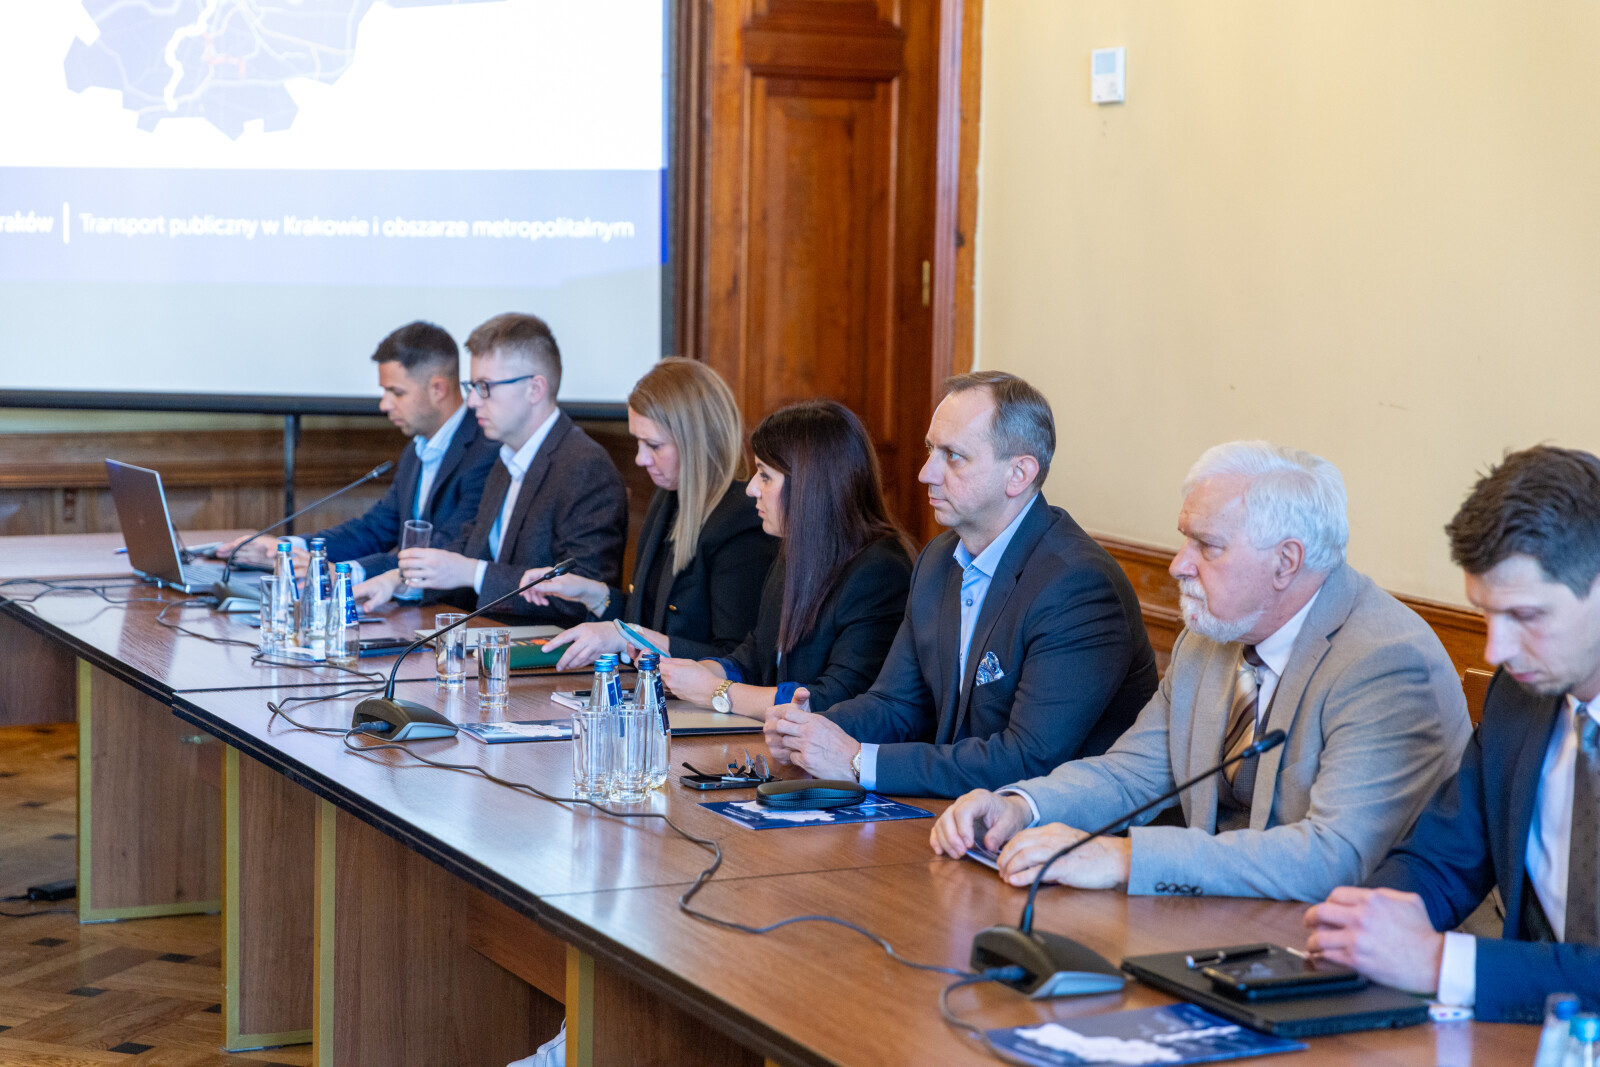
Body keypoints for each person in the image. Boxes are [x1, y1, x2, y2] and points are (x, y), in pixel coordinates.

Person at [931, 440, 1472, 901]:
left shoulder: (1384, 663)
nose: (1178, 565)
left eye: (1207, 546)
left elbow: (1333, 858)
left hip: (1352, 946)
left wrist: (1125, 859)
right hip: (1221, 918)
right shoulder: (1211, 634)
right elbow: (1132, 773)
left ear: (1286, 561)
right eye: (1185, 538)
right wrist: (1022, 806)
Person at [1306, 445, 1600, 1023]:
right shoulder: (1521, 697)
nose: (1495, 650)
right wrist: (1366, 923)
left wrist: (1438, 961)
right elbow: (1444, 859)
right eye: (1486, 613)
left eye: (1526, 616)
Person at [764, 371, 1158, 797]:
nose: (925, 473)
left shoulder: (1078, 585)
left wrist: (858, 761)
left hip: (1057, 827)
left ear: (1019, 473)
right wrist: (810, 729)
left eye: (953, 456)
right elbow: (897, 704)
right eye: (931, 449)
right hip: (956, 809)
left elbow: (1028, 760)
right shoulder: (938, 558)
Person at [354, 313, 627, 624]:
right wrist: (400, 581)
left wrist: (474, 573)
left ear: (535, 389)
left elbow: (583, 598)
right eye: (472, 386)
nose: (472, 401)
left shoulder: (585, 466)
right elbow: (468, 550)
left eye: (484, 386)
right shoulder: (505, 458)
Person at [651, 400, 915, 715]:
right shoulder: (795, 550)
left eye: (764, 476)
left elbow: (832, 699)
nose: (751, 489)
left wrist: (714, 692)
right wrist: (692, 674)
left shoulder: (880, 571)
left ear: (809, 485)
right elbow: (755, 657)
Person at [517, 357, 777, 668]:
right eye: (638, 442)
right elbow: (651, 618)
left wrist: (629, 636)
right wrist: (593, 594)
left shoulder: (741, 522)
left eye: (653, 445)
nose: (640, 459)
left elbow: (736, 660)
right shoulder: (668, 497)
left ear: (696, 444)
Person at [213, 321, 497, 579]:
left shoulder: (486, 452)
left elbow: (447, 550)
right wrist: (286, 548)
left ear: (438, 389)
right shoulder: (417, 449)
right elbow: (374, 530)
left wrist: (347, 572)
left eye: (396, 393)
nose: (384, 405)